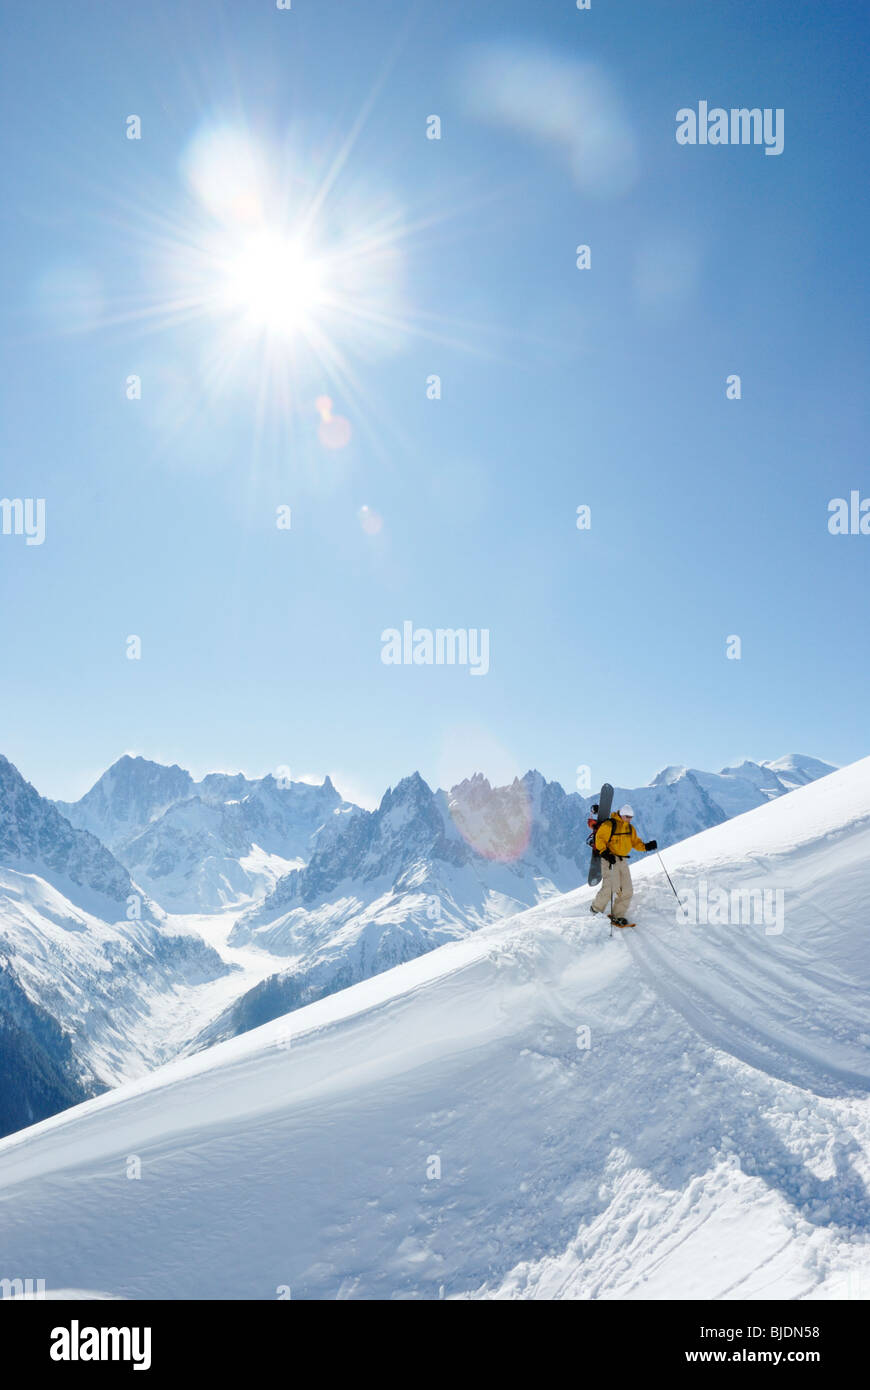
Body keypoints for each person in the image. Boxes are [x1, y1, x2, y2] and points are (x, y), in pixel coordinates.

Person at [590, 804, 657, 926]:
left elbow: (635, 843)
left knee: (627, 890)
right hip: (609, 859)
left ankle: (617, 915)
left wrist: (647, 846)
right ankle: (596, 910)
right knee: (611, 887)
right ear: (622, 815)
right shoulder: (609, 825)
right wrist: (605, 853)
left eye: (631, 817)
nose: (630, 819)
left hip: (622, 860)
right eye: (627, 816)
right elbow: (599, 838)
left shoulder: (630, 829)